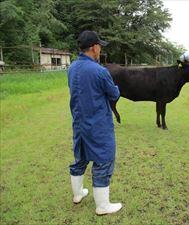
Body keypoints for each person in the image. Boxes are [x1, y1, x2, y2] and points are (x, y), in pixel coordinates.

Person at [67, 30, 122, 215]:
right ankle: (102, 206)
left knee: (80, 158)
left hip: (79, 123)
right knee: (104, 160)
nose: (100, 50)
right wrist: (115, 87)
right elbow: (114, 94)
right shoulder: (100, 71)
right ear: (94, 47)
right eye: (100, 46)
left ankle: (78, 194)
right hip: (98, 125)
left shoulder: (72, 67)